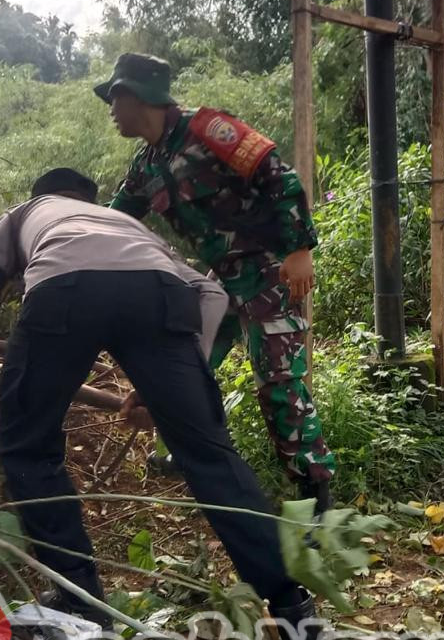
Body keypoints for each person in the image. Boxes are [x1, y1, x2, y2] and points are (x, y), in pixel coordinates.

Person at [0, 167, 326, 640]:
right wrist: (168, 391)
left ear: (43, 197)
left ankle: (80, 607)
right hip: (159, 294)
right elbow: (211, 294)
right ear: (87, 199)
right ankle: (294, 613)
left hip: (64, 290)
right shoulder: (126, 224)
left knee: (28, 448)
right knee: (208, 455)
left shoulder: (22, 216)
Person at [97, 53, 337, 515]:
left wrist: (300, 248)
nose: (110, 107)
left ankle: (315, 495)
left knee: (279, 381)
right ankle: (188, 452)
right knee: (188, 359)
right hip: (222, 278)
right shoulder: (146, 165)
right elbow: (113, 219)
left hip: (268, 269)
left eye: (114, 96)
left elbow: (279, 177)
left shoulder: (208, 130)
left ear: (138, 96)